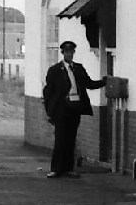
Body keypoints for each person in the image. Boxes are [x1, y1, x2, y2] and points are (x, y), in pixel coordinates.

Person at [41, 40, 107, 178]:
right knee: (60, 138)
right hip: (61, 108)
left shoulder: (78, 68)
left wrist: (103, 82)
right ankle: (56, 169)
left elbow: (88, 83)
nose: (69, 54)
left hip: (75, 107)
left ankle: (68, 168)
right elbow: (48, 92)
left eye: (71, 52)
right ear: (62, 53)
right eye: (67, 52)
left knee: (71, 138)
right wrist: (49, 112)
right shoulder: (55, 70)